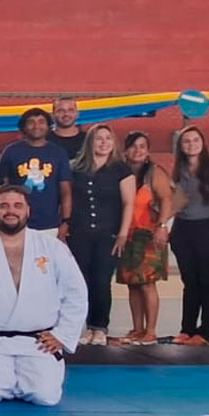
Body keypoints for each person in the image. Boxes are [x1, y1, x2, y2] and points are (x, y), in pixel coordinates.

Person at [0, 186, 86, 406]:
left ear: (28, 211)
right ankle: (7, 378)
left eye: (17, 206)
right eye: (3, 206)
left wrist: (62, 335)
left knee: (44, 396)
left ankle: (23, 379)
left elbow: (76, 293)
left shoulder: (52, 247)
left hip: (38, 342)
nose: (10, 211)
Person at [161, 125, 209, 345]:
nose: (191, 144)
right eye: (186, 141)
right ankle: (187, 329)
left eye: (195, 140)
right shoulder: (179, 170)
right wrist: (163, 225)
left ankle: (205, 332)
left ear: (202, 144)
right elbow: (177, 202)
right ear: (181, 146)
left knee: (208, 281)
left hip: (208, 227)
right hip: (183, 229)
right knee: (190, 282)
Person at [67, 125, 136, 346]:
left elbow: (128, 203)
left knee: (101, 280)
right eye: (99, 139)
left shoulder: (121, 170)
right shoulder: (75, 168)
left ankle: (100, 326)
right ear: (90, 142)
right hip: (79, 233)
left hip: (109, 234)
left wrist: (123, 234)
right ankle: (82, 326)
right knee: (81, 281)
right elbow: (66, 198)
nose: (104, 143)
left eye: (108, 138)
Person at [115, 131, 173, 345]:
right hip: (126, 235)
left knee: (147, 284)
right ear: (125, 151)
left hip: (148, 234)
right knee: (132, 284)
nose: (137, 150)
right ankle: (137, 328)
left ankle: (150, 330)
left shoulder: (154, 172)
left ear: (148, 151)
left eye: (142, 146)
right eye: (133, 146)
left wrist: (162, 225)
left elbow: (167, 199)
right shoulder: (120, 172)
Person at [0, 108, 72, 232]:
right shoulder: (12, 151)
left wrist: (65, 222)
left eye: (41, 122)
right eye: (31, 122)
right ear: (24, 127)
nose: (36, 126)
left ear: (48, 126)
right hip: (16, 222)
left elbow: (66, 191)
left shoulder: (58, 153)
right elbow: (1, 187)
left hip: (49, 224)